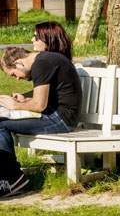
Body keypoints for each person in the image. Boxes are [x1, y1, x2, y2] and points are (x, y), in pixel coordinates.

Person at [0, 46, 81, 198]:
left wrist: (15, 105)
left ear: (18, 63)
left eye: (14, 74)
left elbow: (39, 105)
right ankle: (10, 177)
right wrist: (25, 99)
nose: (17, 78)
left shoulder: (41, 64)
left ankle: (13, 178)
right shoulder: (44, 60)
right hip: (58, 115)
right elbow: (48, 96)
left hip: (61, 120)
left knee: (1, 125)